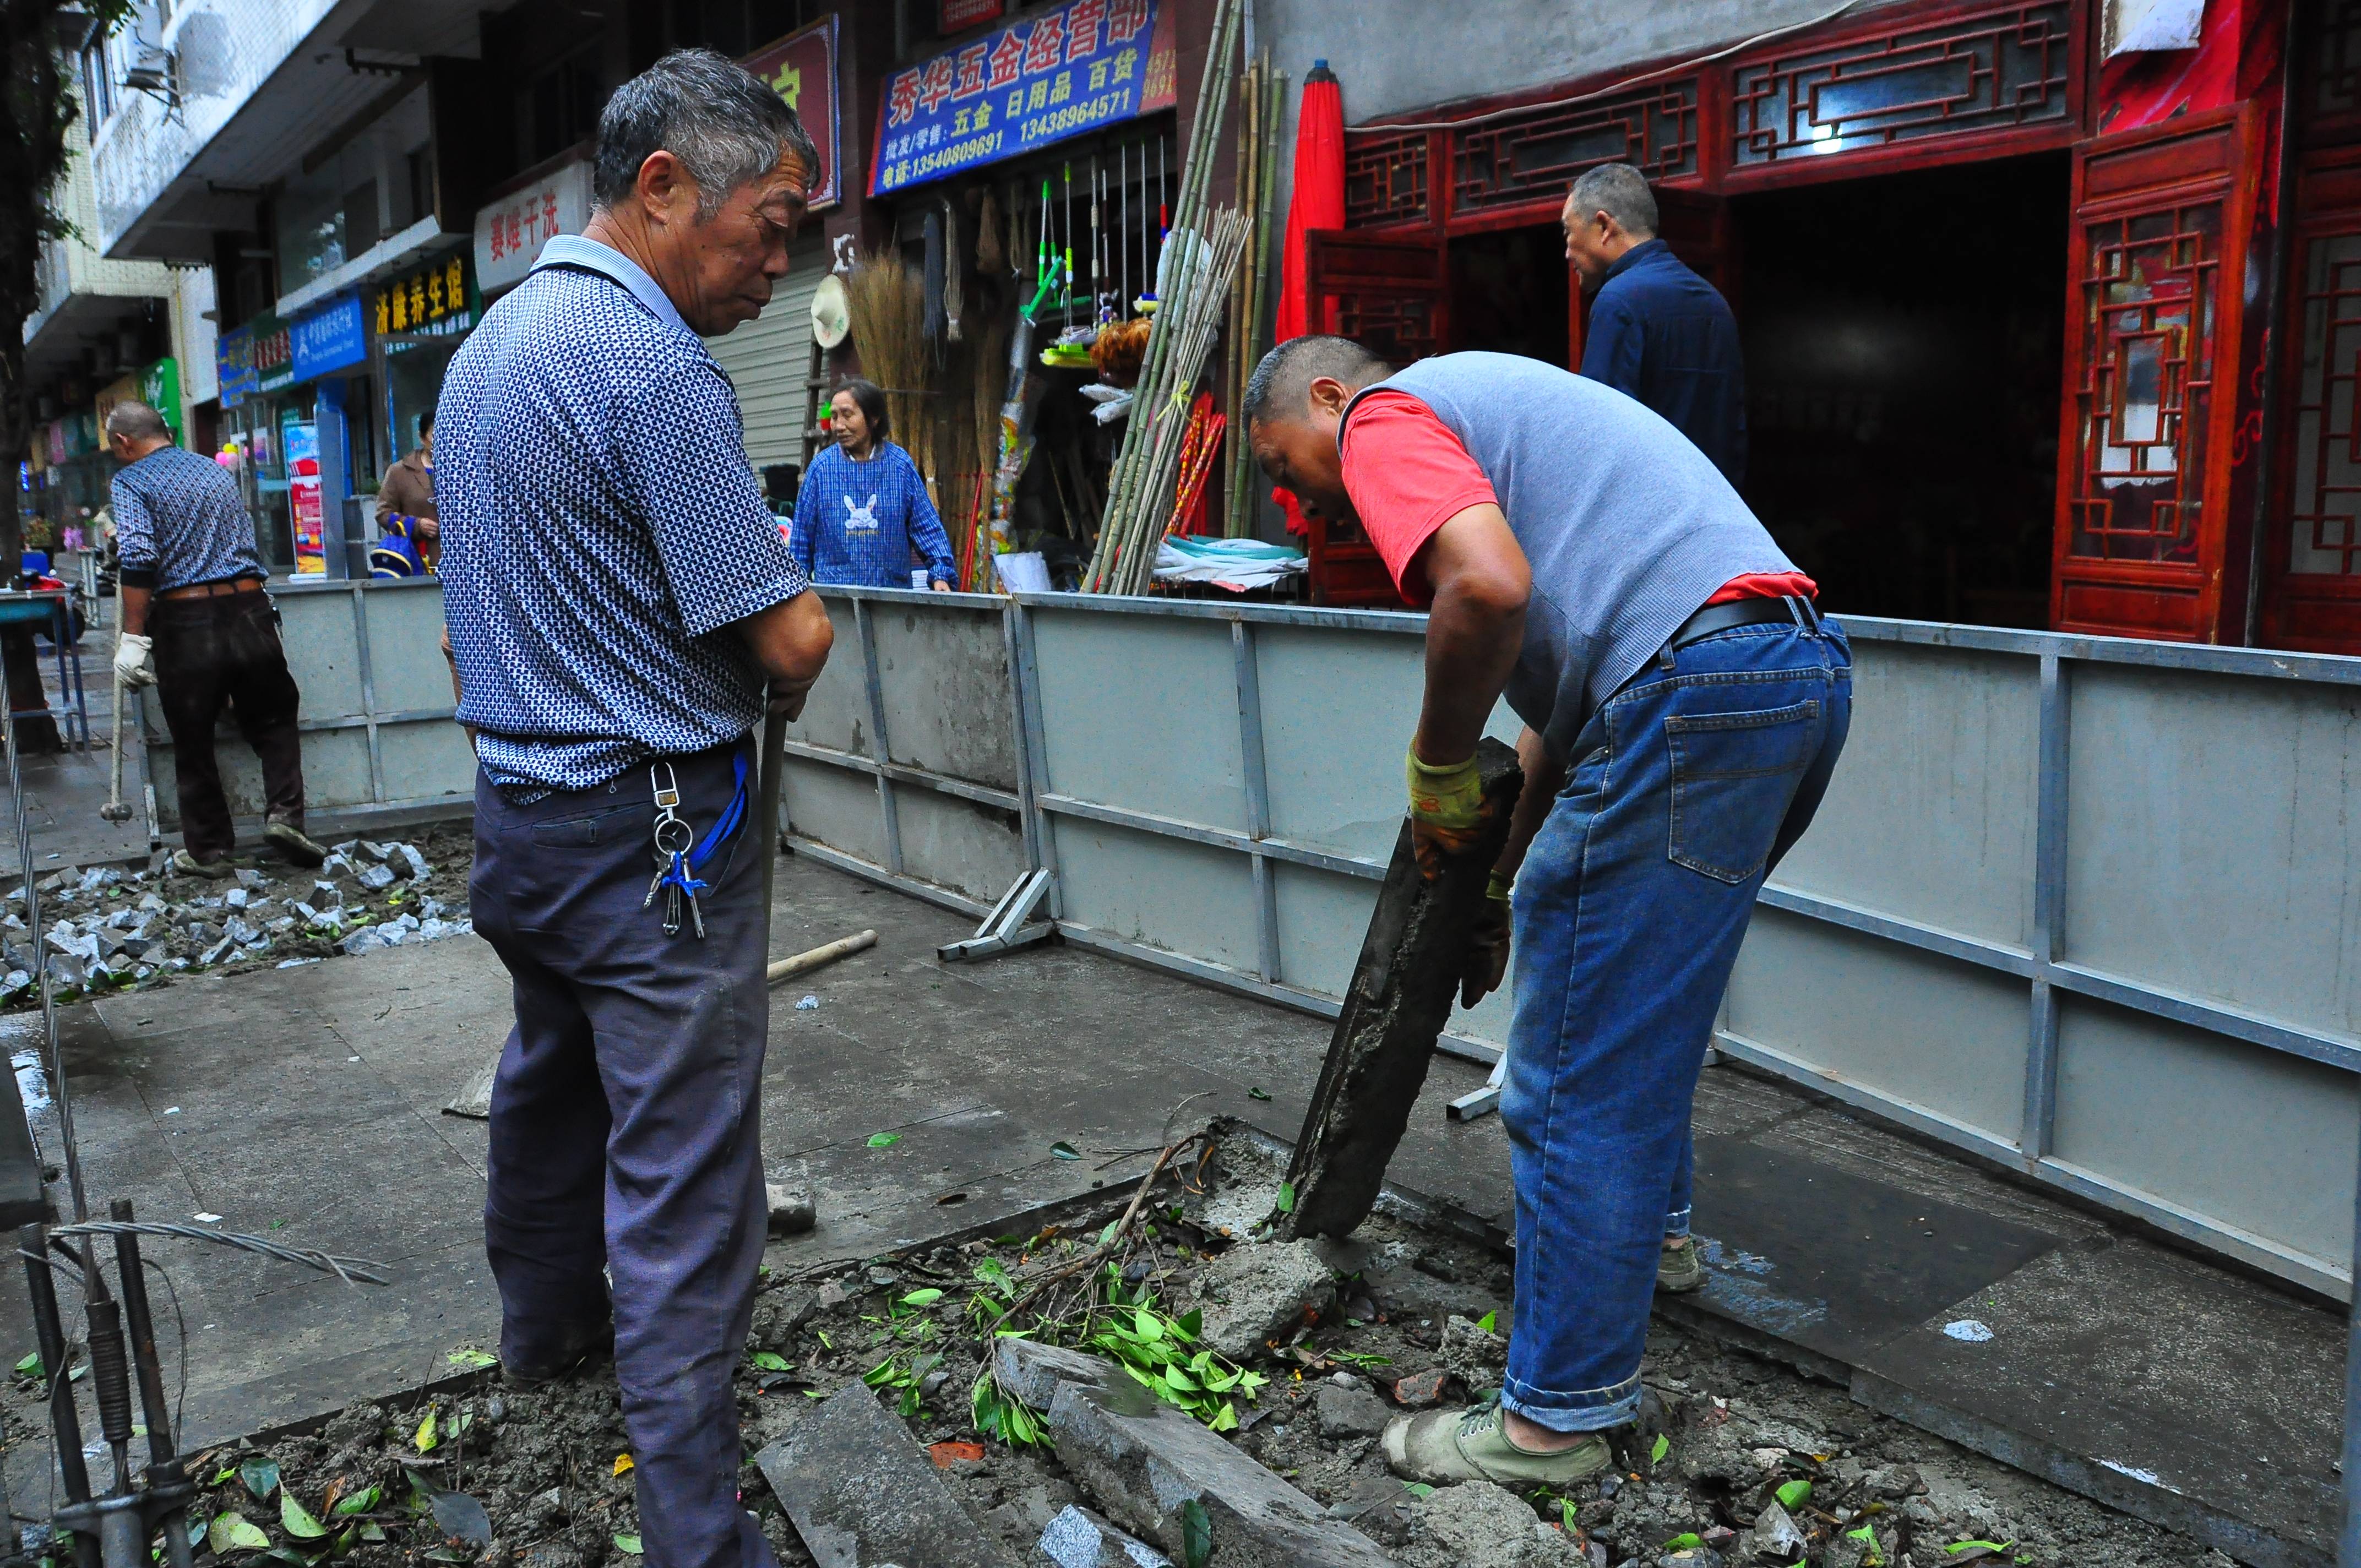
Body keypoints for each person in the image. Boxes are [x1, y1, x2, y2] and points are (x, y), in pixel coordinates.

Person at [1244, 339, 1848, 1488]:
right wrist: (1494, 884)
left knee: (1570, 1070)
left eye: (1288, 461)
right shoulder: (1502, 417)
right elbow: (1565, 713)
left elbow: (1486, 588)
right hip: (1790, 677)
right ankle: (1650, 1243)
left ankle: (1552, 1420)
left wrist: (1431, 764)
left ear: (1329, 395)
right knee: (1637, 1018)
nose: (1299, 494)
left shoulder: (1385, 413)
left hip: (1689, 692)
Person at [434, 50, 833, 1568]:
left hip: (521, 825)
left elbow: (472, 624)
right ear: (663, 190)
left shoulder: (490, 349)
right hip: (652, 834)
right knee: (683, 1182)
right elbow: (785, 636)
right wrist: (799, 645)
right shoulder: (658, 369)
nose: (779, 259)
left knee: (550, 1087)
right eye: (770, 222)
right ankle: (695, 1536)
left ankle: (544, 1341)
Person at [105, 400, 328, 878]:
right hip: (249, 607)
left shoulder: (130, 482)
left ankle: (209, 851)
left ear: (123, 442)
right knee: (274, 718)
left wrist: (133, 637)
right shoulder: (213, 471)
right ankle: (285, 817)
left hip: (186, 620)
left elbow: (140, 557)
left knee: (193, 734)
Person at [1562, 164, 1748, 487]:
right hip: (1714, 505)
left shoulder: (1619, 301)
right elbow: (1734, 428)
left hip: (1650, 509)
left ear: (1604, 226)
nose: (1567, 252)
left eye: (1568, 232)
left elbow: (1601, 435)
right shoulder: (1714, 302)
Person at [790, 378, 955, 590]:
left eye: (847, 415)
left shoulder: (899, 465)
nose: (839, 426)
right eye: (834, 416)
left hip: (892, 597)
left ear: (874, 418)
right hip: (837, 600)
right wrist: (796, 590)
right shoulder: (821, 468)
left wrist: (941, 573)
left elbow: (926, 527)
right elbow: (801, 539)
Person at [374, 405, 439, 571]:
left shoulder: (465, 470)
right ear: (422, 437)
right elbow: (383, 514)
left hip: (462, 567)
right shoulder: (399, 472)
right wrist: (416, 525)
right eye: (435, 433)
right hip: (419, 564)